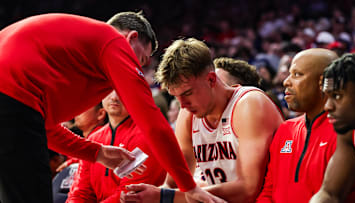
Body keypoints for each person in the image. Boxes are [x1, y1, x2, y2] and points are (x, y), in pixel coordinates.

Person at [0, 12, 221, 203]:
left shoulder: (73, 52)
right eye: (140, 59)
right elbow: (153, 124)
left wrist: (97, 153)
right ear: (131, 38)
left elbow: (44, 128)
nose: (137, 69)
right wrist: (189, 188)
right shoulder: (113, 40)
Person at [122, 38, 284, 202]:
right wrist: (144, 196)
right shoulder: (188, 115)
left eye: (187, 93)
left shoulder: (249, 104)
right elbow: (172, 184)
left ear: (211, 80)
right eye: (176, 97)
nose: (182, 105)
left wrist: (165, 197)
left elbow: (249, 189)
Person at [256, 48, 355, 203]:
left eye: (297, 74)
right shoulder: (285, 129)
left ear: (321, 82)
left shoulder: (346, 131)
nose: (286, 81)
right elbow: (329, 194)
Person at [67, 90, 166, 202]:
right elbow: (80, 191)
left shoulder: (148, 135)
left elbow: (129, 194)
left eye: (120, 90)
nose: (114, 97)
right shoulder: (93, 138)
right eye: (109, 90)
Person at [310, 53, 355, 202]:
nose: (327, 106)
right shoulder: (351, 130)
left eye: (337, 96)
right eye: (327, 96)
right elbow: (330, 194)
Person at [56, 103, 108, 172]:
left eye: (84, 107)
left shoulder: (104, 139)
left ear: (100, 114)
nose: (77, 111)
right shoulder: (82, 141)